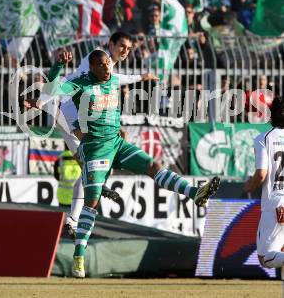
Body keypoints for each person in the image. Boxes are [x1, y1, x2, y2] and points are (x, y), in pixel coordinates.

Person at [45, 50, 220, 278]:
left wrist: (144, 77)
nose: (107, 68)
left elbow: (129, 77)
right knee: (92, 202)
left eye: (108, 63)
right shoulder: (80, 83)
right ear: (92, 68)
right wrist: (58, 66)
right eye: (101, 65)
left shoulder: (114, 78)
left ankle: (195, 192)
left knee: (153, 166)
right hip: (95, 147)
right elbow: (50, 91)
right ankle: (79, 255)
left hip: (117, 143)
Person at [24, 32, 159, 238]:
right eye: (122, 46)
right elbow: (70, 82)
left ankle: (74, 218)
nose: (125, 51)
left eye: (129, 48)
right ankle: (81, 209)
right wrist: (42, 100)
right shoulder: (99, 58)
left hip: (71, 114)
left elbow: (111, 82)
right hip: (70, 114)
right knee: (93, 163)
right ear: (111, 44)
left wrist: (141, 77)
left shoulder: (106, 66)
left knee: (91, 165)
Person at [244, 96, 284, 290]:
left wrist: (249, 187)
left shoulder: (264, 138)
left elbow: (261, 174)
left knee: (265, 258)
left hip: (276, 204)